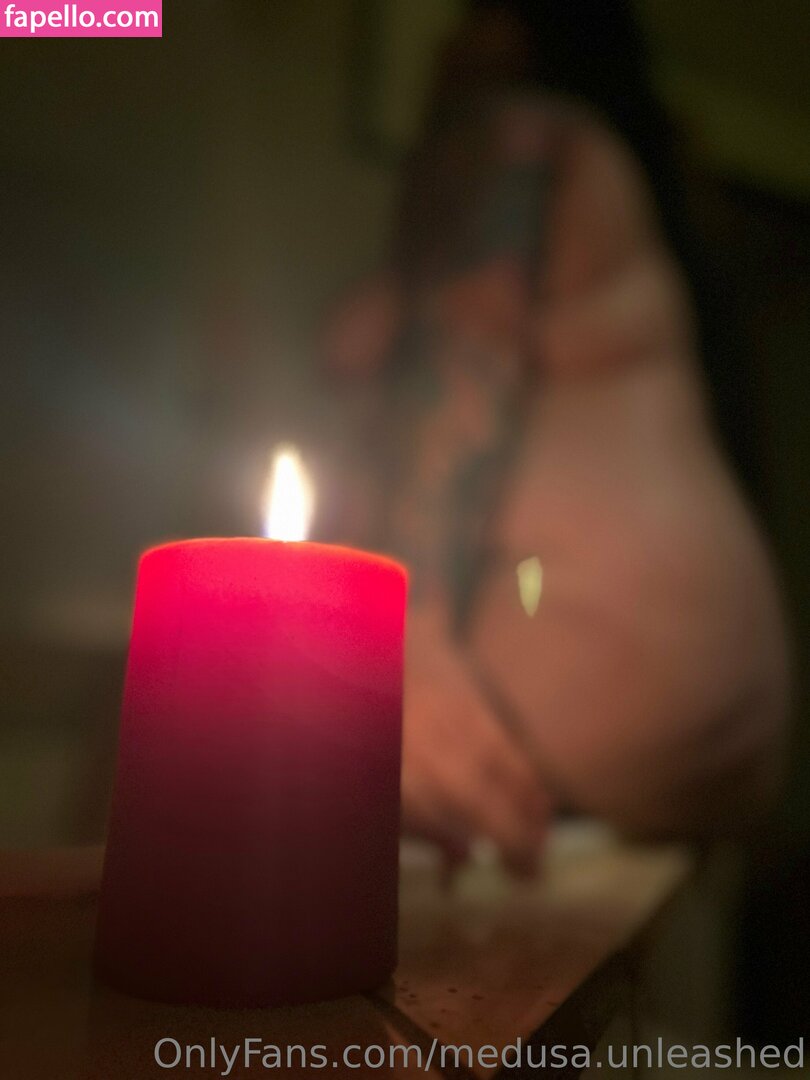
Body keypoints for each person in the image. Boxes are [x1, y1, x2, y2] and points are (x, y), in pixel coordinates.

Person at [321, 1, 789, 874]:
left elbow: (461, 367)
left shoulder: (521, 131)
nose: (450, 38)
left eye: (482, 12)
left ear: (532, 31)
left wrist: (401, 642)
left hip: (556, 760)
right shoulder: (587, 175)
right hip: (664, 771)